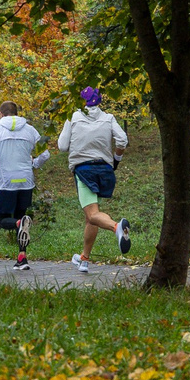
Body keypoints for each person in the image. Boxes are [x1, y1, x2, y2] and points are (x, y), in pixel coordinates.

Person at [56, 86, 132, 271]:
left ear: (82, 101)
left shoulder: (73, 116)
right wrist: (117, 159)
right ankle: (84, 258)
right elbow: (122, 140)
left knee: (92, 214)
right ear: (99, 101)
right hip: (105, 170)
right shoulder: (108, 118)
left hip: (84, 170)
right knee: (92, 217)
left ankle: (117, 228)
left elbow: (62, 146)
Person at [0, 100, 50, 269]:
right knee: (22, 217)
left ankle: (18, 224)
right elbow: (45, 154)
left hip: (5, 182)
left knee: (3, 219)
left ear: (0, 113)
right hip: (25, 181)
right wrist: (34, 164)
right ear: (17, 113)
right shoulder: (30, 130)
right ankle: (22, 257)